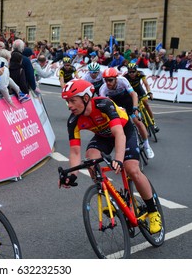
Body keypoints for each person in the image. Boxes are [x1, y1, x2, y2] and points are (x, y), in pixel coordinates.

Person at [59, 79, 162, 234]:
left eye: (73, 100)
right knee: (91, 158)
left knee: (131, 169)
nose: (69, 106)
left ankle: (153, 211)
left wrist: (119, 160)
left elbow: (119, 133)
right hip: (103, 136)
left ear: (86, 98)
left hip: (123, 130)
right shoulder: (73, 120)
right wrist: (72, 174)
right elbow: (75, 151)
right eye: (67, 101)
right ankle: (106, 192)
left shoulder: (104, 105)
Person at [99, 67, 155, 159]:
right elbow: (105, 105)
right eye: (106, 80)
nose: (108, 83)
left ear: (116, 78)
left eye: (110, 80)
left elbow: (134, 94)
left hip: (127, 100)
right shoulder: (103, 89)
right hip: (115, 104)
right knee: (120, 127)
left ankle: (147, 145)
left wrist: (135, 108)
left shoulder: (123, 81)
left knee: (138, 121)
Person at [123, 63, 160, 132]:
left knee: (146, 104)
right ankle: (140, 120)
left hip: (140, 91)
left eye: (133, 71)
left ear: (136, 71)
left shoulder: (140, 74)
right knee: (135, 107)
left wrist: (149, 92)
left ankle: (153, 123)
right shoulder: (125, 76)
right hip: (131, 93)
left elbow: (146, 84)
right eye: (129, 72)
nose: (131, 73)